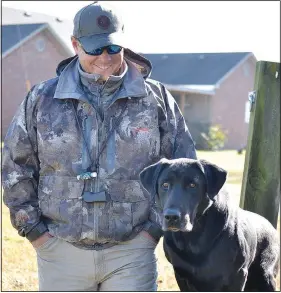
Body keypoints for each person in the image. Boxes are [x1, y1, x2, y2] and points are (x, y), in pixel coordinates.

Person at [2, 2, 197, 291]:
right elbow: (15, 166)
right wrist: (36, 233)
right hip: (60, 253)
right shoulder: (41, 99)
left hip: (132, 251)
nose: (104, 58)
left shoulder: (156, 99)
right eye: (94, 49)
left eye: (112, 48)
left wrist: (152, 231)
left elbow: (185, 168)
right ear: (75, 45)